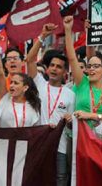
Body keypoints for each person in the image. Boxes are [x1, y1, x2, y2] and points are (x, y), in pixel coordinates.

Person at [27, 23, 76, 186]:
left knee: (60, 178)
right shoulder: (39, 84)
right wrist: (42, 36)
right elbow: (30, 60)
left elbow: (72, 125)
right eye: (52, 66)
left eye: (59, 67)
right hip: (38, 141)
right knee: (36, 176)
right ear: (47, 69)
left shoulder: (70, 94)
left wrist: (70, 121)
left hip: (60, 144)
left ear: (64, 72)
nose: (54, 69)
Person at [64, 16, 102, 142]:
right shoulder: (82, 82)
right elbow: (72, 58)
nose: (92, 69)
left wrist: (92, 116)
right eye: (89, 66)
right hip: (80, 139)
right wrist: (68, 30)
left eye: (96, 66)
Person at [0, 33, 41, 127]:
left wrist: (42, 37)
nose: (12, 85)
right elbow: (0, 74)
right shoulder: (5, 98)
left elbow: (36, 133)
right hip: (4, 141)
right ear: (5, 64)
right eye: (9, 59)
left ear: (26, 87)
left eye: (16, 83)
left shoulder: (33, 106)